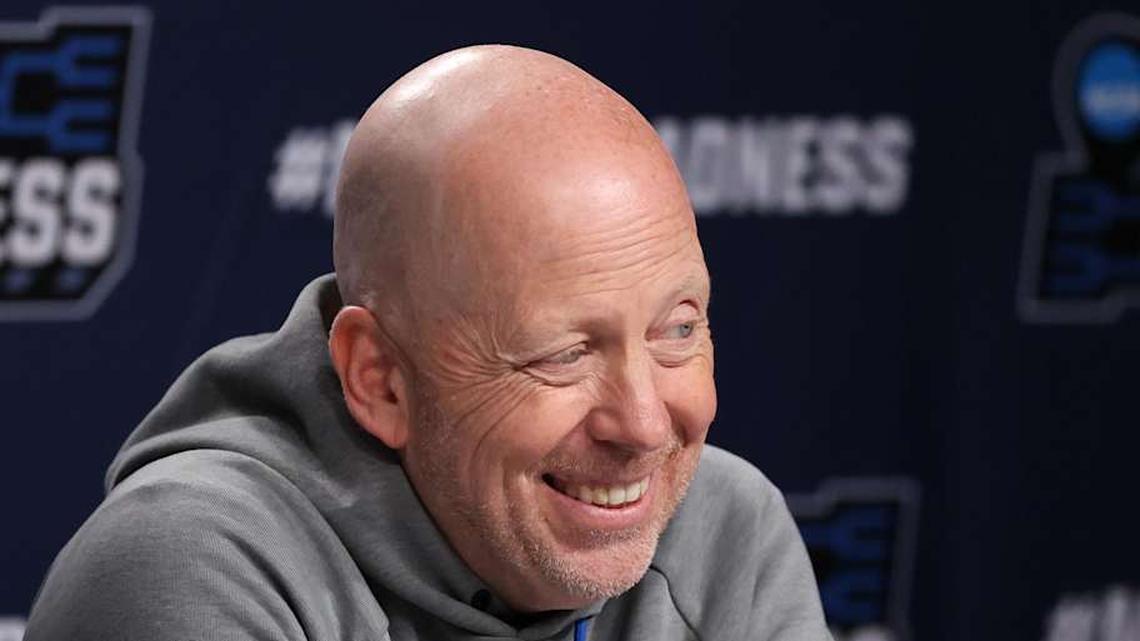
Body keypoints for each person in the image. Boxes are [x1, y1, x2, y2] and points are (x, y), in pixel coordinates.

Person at [24, 45, 830, 640]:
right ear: (380, 379)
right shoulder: (191, 568)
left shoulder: (724, 534)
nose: (645, 425)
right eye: (563, 354)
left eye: (677, 329)